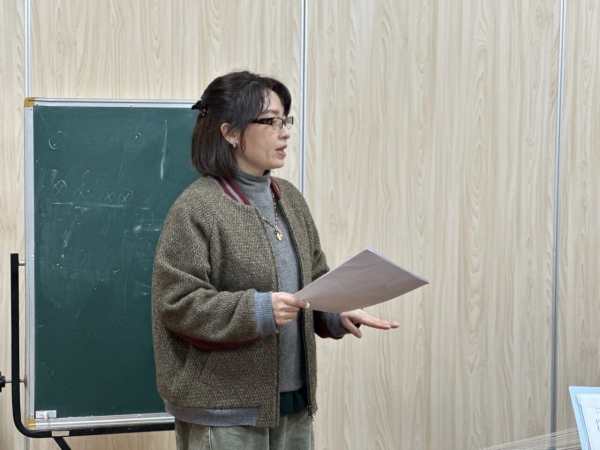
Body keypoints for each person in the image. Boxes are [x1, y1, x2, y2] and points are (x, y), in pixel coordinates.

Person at [151, 71, 399, 450]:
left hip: (293, 404)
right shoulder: (197, 208)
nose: (284, 133)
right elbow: (178, 305)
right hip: (225, 412)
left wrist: (336, 312)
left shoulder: (290, 199)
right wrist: (258, 310)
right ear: (230, 133)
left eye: (286, 121)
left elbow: (314, 282)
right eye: (270, 122)